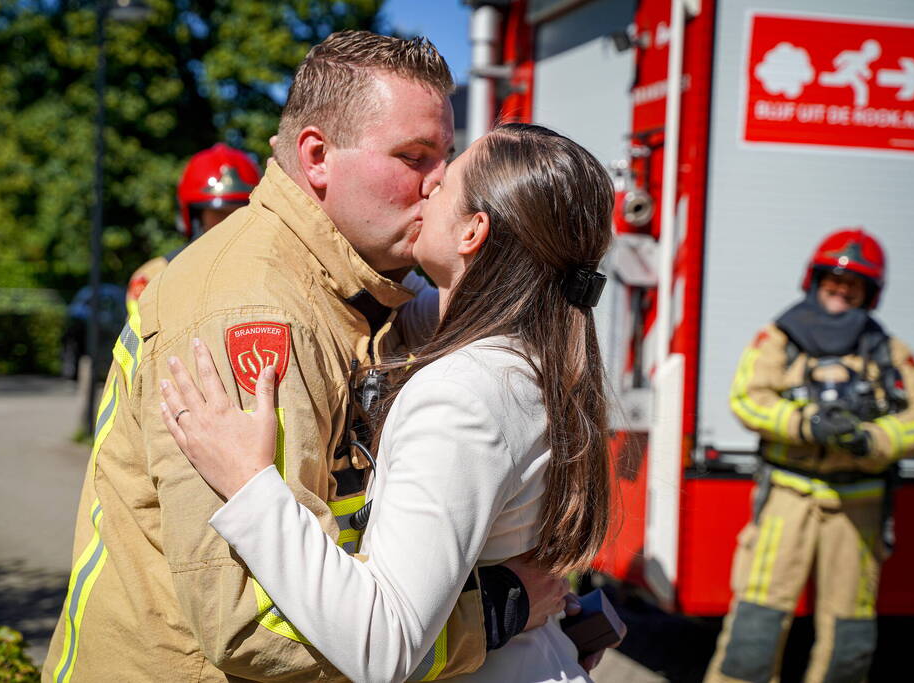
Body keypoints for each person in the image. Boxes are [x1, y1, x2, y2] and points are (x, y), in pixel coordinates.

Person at [45, 32, 568, 683]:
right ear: (317, 156)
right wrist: (493, 619)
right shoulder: (255, 312)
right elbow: (253, 620)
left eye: (446, 157)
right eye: (413, 156)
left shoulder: (352, 285)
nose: (438, 184)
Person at [157, 122, 617, 682]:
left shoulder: (462, 395)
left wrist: (250, 486)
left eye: (444, 180)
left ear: (472, 232)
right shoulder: (534, 352)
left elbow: (383, 645)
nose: (426, 187)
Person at [706, 229, 914, 682]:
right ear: (815, 281)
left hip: (859, 504)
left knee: (850, 632)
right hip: (788, 498)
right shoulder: (779, 338)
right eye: (833, 279)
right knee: (758, 620)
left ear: (870, 293)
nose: (841, 290)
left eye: (853, 284)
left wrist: (873, 439)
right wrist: (805, 423)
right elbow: (747, 399)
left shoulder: (888, 350)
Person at [125, 143, 261, 315]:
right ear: (196, 216)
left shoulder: (270, 272)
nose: (231, 222)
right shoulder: (153, 278)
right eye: (220, 213)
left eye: (240, 213)